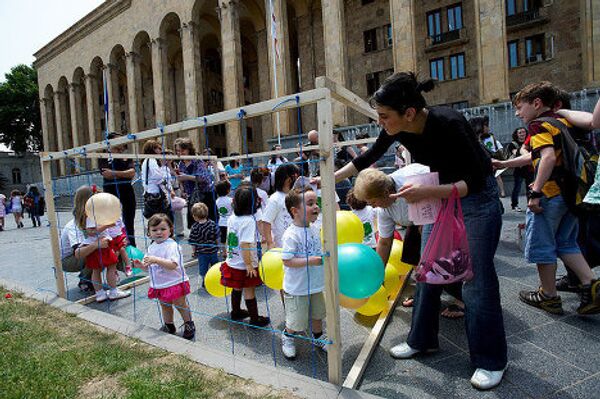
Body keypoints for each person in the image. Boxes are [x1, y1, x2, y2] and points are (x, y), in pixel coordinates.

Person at [322, 72, 507, 390]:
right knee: (427, 270)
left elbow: (475, 181)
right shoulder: (399, 127)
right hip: (442, 198)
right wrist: (328, 180)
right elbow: (369, 156)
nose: (380, 122)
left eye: (383, 116)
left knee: (476, 280)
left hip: (476, 200)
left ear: (408, 112)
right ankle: (422, 340)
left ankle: (491, 361)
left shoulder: (450, 123)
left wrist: (427, 194)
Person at [493, 82, 600, 315]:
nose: (517, 113)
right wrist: (504, 163)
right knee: (566, 243)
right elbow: (536, 156)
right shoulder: (562, 122)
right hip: (572, 196)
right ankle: (591, 285)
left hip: (550, 195)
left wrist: (535, 192)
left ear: (537, 103)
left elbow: (548, 158)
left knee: (543, 246)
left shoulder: (538, 125)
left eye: (520, 107)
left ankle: (548, 296)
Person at [280, 187, 327, 359]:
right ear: (295, 211)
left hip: (315, 283)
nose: (316, 207)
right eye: (310, 203)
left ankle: (318, 337)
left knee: (318, 313)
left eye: (316, 203)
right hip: (297, 287)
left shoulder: (314, 228)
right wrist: (311, 260)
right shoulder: (291, 235)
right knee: (297, 320)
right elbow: (286, 260)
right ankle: (287, 336)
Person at [133, 214, 195, 340]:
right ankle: (169, 325)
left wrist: (156, 259)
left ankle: (189, 324)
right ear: (149, 233)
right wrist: (141, 266)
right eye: (154, 230)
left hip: (175, 282)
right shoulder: (151, 248)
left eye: (163, 229)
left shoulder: (172, 246)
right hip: (160, 284)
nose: (159, 232)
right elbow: (151, 269)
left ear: (170, 230)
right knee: (165, 305)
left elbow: (173, 265)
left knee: (180, 304)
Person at [221, 185, 270, 327]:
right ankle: (255, 319)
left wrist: (227, 253)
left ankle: (235, 312)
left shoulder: (232, 217)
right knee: (249, 290)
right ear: (254, 203)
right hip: (244, 264)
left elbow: (229, 237)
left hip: (232, 260)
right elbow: (244, 244)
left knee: (236, 288)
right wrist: (249, 265)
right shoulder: (248, 221)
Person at [79, 208, 131, 303]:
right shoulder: (91, 216)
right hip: (100, 245)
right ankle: (111, 291)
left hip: (101, 244)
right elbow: (91, 231)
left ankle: (102, 293)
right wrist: (107, 225)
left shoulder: (94, 215)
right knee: (108, 267)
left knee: (99, 269)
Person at [99, 133, 137, 246]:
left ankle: (131, 247)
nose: (121, 142)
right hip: (110, 192)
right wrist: (122, 173)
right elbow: (106, 174)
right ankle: (116, 247)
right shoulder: (103, 155)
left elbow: (132, 173)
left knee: (129, 222)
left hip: (127, 190)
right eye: (117, 140)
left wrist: (114, 173)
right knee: (112, 221)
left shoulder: (126, 156)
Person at [175, 137, 215, 227]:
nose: (179, 153)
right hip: (192, 197)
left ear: (189, 149)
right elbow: (182, 180)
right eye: (177, 151)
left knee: (206, 224)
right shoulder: (181, 163)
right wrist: (182, 188)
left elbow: (204, 178)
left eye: (182, 150)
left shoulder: (197, 161)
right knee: (194, 225)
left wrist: (186, 177)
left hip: (204, 196)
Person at [262, 164, 300, 249]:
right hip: (283, 246)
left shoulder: (297, 195)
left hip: (299, 243)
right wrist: (270, 243)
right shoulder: (275, 199)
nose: (298, 180)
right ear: (288, 179)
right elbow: (266, 221)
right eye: (296, 177)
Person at [189, 202, 220, 286]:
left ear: (195, 217)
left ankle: (205, 281)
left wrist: (193, 251)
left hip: (202, 252)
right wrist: (218, 245)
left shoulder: (195, 227)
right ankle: (216, 279)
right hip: (213, 250)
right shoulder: (213, 224)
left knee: (203, 268)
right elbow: (217, 237)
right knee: (215, 266)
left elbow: (193, 241)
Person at [141, 140, 173, 220]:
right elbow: (157, 176)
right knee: (161, 218)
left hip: (149, 191)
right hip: (155, 193)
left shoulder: (146, 160)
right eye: (159, 148)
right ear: (153, 149)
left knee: (155, 218)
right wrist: (166, 185)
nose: (161, 151)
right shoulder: (152, 160)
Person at [504, 127, 532, 212]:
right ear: (516, 134)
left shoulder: (530, 142)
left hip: (529, 168)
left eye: (523, 132)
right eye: (520, 133)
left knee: (529, 188)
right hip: (519, 168)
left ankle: (530, 204)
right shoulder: (513, 144)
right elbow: (516, 152)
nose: (522, 134)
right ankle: (514, 205)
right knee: (517, 187)